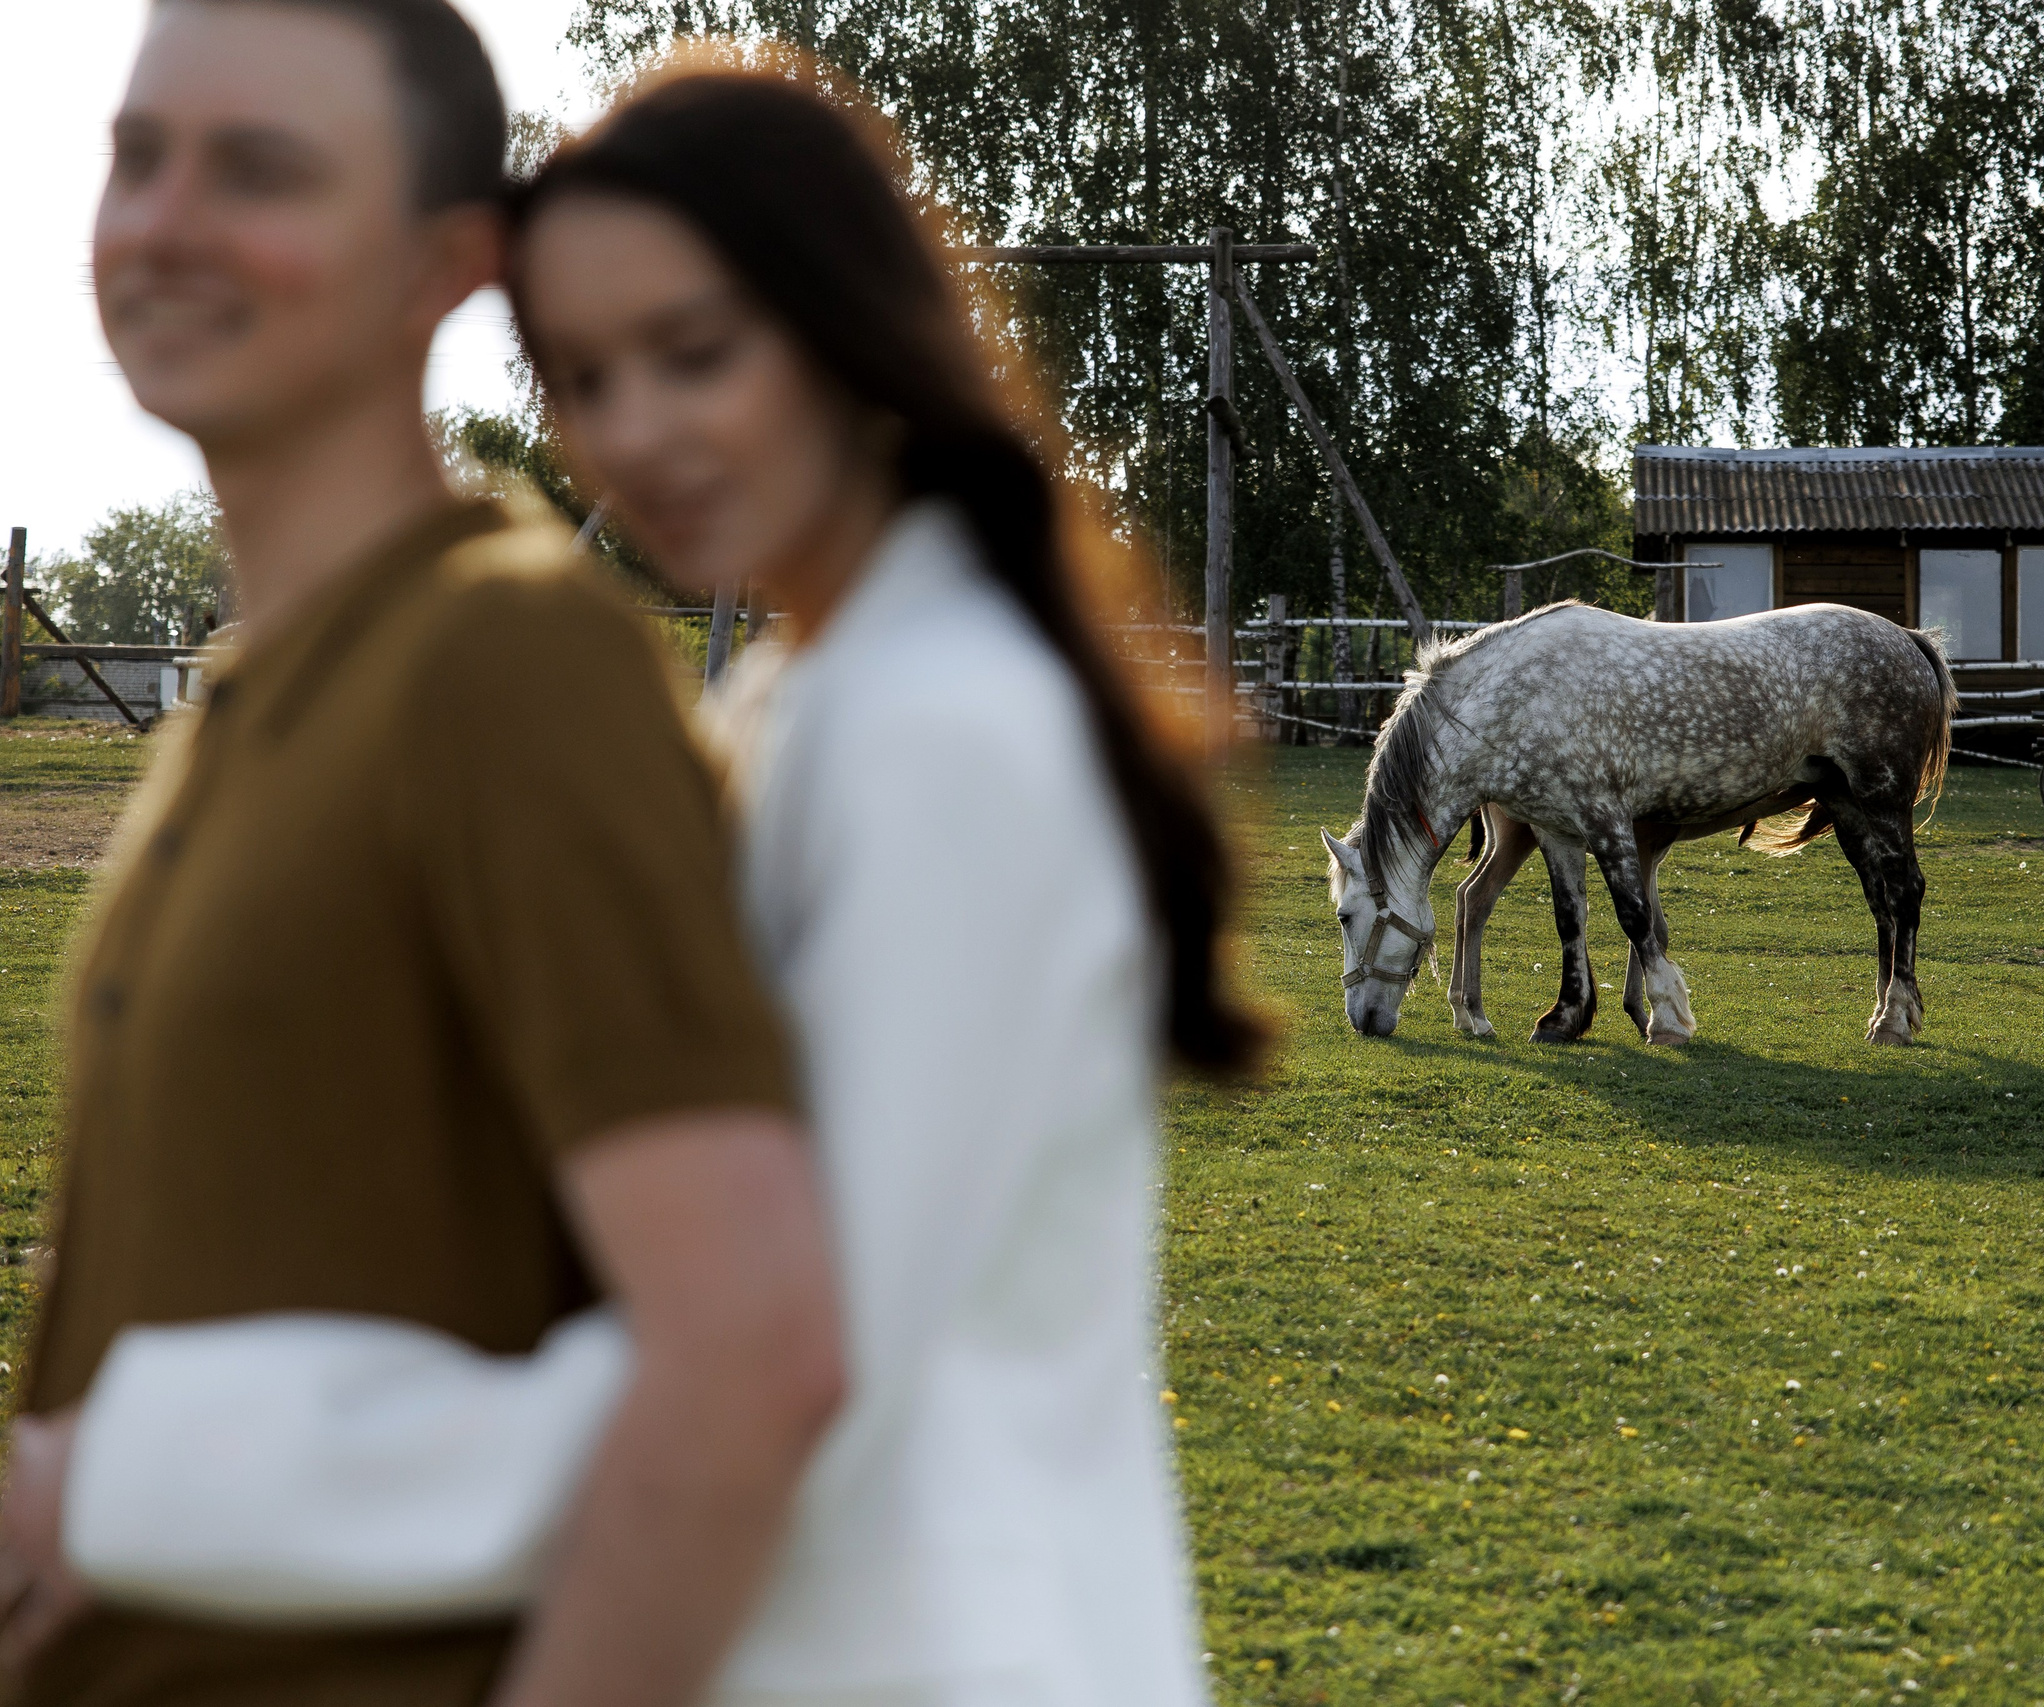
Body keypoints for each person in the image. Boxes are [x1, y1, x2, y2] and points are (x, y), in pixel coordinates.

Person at [9, 55, 1268, 1707]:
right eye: (583, 378)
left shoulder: (943, 732)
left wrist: (139, 1477)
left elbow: (784, 1363)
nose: (634, 435)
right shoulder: (804, 695)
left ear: (841, 323)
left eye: (695, 354)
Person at [0, 5, 850, 1706]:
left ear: (447, 266)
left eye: (261, 170)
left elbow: (751, 1356)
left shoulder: (503, 660)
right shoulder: (258, 686)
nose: (165, 220)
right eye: (136, 156)